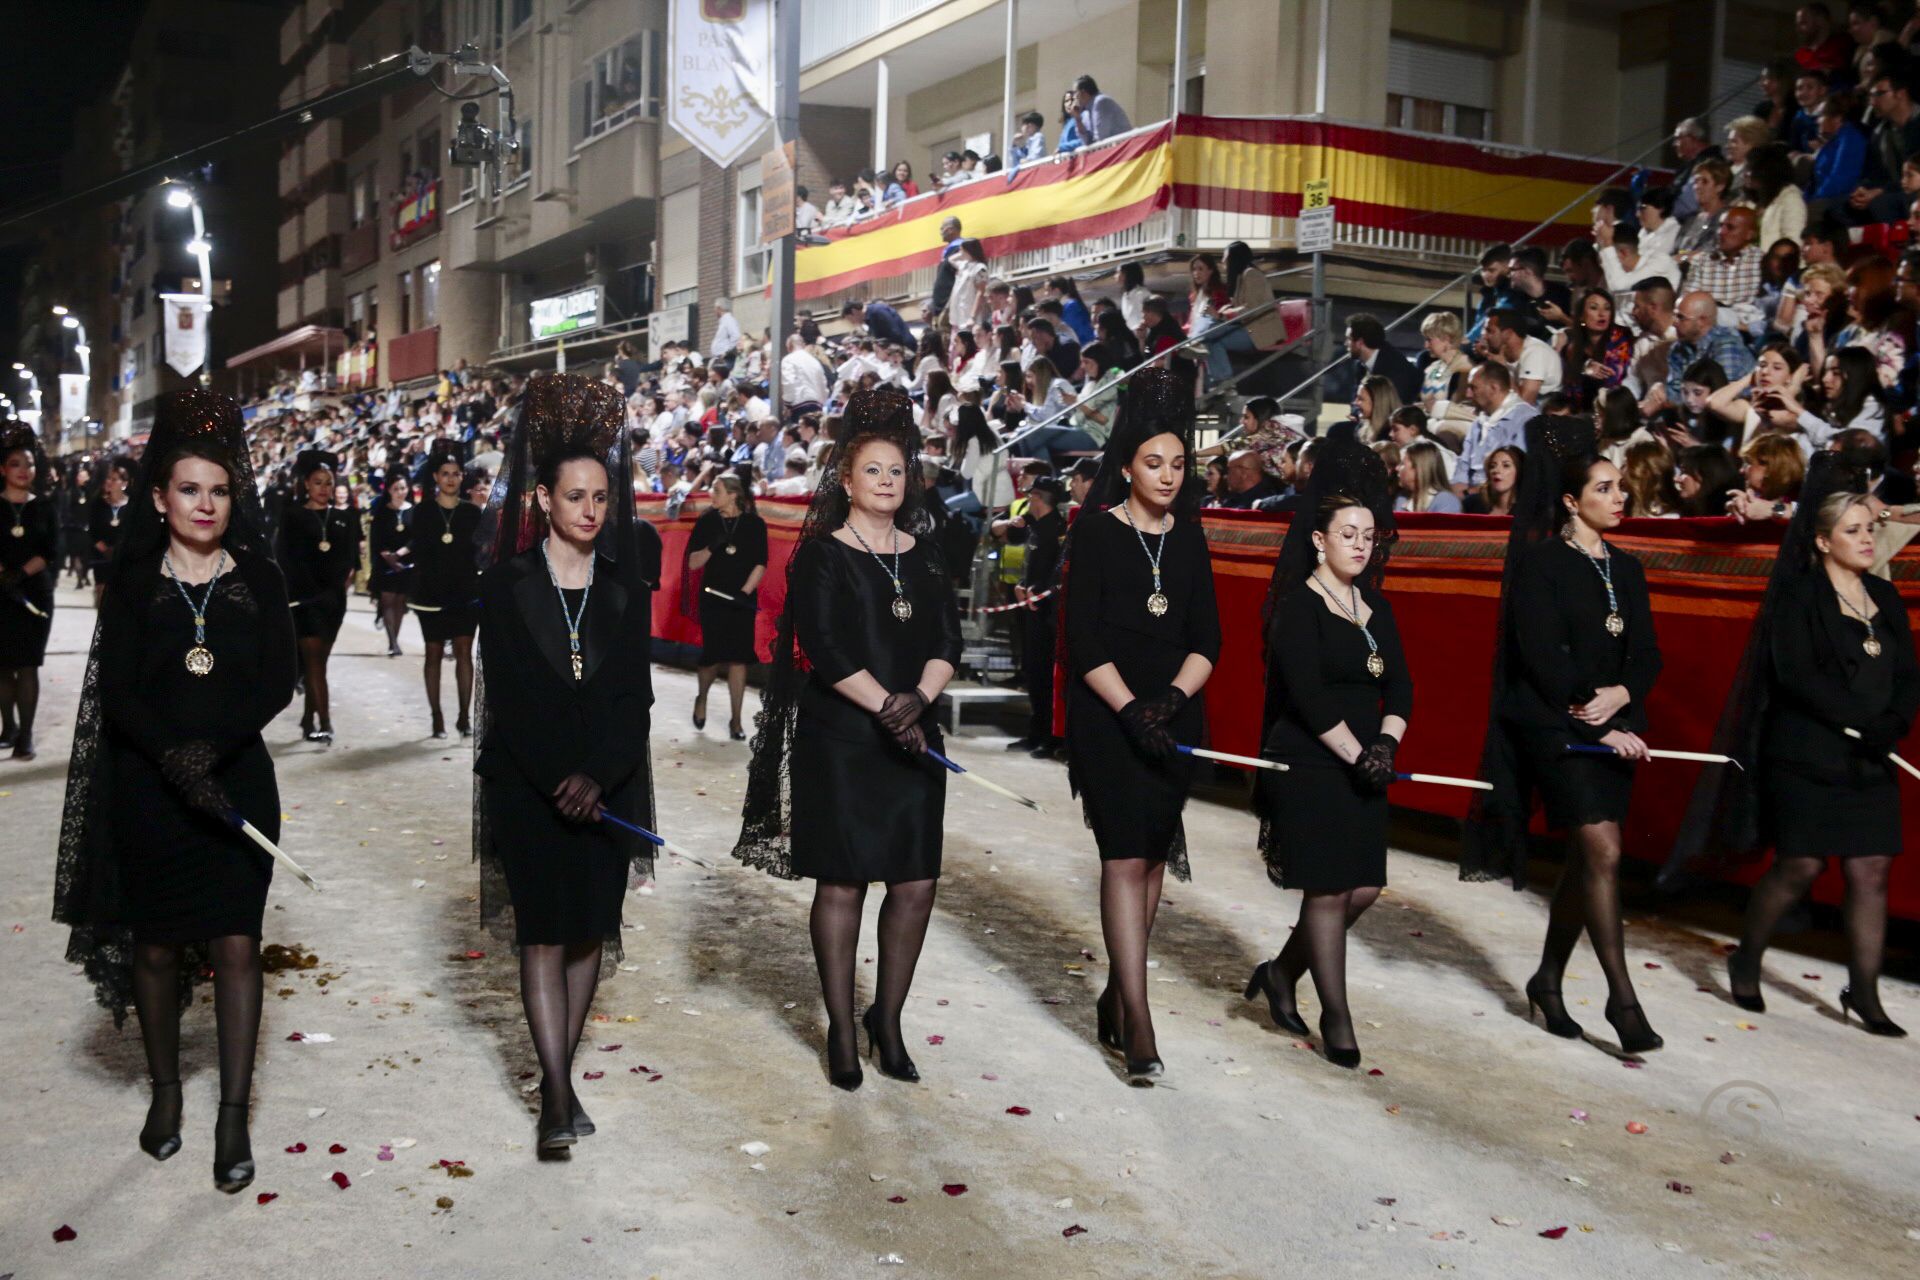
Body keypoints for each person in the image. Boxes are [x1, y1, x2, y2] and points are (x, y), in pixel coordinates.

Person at [52, 389, 297, 1193]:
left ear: (236, 496)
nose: (205, 504)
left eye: (219, 490)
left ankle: (232, 1113)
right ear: (159, 497)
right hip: (148, 786)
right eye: (189, 489)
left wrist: (212, 750)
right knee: (156, 945)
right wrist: (171, 757)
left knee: (235, 945)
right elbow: (116, 691)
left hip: (237, 785)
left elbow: (278, 682)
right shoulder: (128, 581)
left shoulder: (258, 575)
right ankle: (164, 1097)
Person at [733, 387, 962, 1091]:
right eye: (873, 471)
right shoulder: (821, 557)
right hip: (843, 738)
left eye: (896, 471)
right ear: (845, 479)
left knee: (916, 882)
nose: (887, 482)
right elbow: (825, 650)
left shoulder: (926, 556)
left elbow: (946, 639)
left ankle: (886, 1020)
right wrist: (885, 705)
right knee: (843, 883)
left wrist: (918, 700)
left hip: (913, 737)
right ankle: (840, 1025)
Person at [473, 373, 657, 1154]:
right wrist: (559, 779)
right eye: (575, 495)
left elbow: (635, 699)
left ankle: (560, 1074)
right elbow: (507, 700)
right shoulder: (507, 585)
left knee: (589, 934)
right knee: (542, 936)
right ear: (543, 498)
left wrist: (599, 777)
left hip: (608, 791)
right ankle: (554, 1096)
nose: (590, 509)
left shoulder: (625, 587)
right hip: (528, 788)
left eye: (601, 497)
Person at [1673, 456, 1916, 1038]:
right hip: (1808, 750)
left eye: (1869, 529)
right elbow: (1798, 677)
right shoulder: (1799, 596)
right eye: (1853, 530)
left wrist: (1894, 723)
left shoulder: (1885, 594)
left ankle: (1864, 990)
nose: (1865, 539)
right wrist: (1860, 720)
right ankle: (1747, 958)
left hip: (1871, 754)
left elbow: (1908, 674)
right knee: (1801, 864)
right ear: (1822, 539)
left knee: (1872, 869)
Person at [1463, 418, 1666, 1056]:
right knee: (1602, 850)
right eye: (1605, 487)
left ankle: (1547, 981)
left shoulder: (1627, 569)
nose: (1620, 495)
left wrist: (1625, 697)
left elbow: (1647, 655)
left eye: (1621, 486)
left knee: (1587, 863)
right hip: (1556, 727)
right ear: (1573, 502)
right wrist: (1597, 717)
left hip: (1615, 727)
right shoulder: (1543, 563)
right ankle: (1621, 996)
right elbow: (1544, 659)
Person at [1062, 368, 1221, 1081]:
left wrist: (1173, 703)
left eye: (1178, 464)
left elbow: (1208, 640)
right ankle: (1139, 1018)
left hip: (1171, 721)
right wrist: (1130, 707)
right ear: (1126, 466)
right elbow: (1083, 642)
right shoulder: (1095, 535)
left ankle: (1115, 995)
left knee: (1154, 859)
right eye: (1153, 463)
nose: (1167, 475)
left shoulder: (1190, 540)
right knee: (1125, 856)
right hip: (1109, 718)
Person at [1248, 435, 1411, 1069]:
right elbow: (1312, 699)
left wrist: (1388, 741)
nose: (1361, 545)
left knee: (1364, 888)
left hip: (1367, 760)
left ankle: (1283, 971)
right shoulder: (1298, 607)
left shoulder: (1378, 607)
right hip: (1313, 760)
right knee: (1327, 890)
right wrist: (1358, 754)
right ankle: (1335, 1014)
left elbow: (1400, 683)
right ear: (1319, 539)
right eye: (1348, 534)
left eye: (1369, 535)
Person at [277, 451, 359, 744]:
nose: (323, 488)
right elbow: (286, 559)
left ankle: (307, 718)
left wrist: (335, 589)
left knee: (319, 664)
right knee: (313, 663)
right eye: (317, 482)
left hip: (333, 602)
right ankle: (325, 723)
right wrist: (308, 592)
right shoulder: (292, 516)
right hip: (305, 602)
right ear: (306, 485)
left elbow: (349, 559)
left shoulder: (344, 518)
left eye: (328, 482)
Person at [684, 474, 767, 741]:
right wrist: (712, 546)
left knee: (739, 657)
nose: (711, 494)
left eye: (716, 490)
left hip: (742, 599)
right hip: (712, 597)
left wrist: (745, 592)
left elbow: (760, 563)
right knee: (712, 656)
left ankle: (736, 719)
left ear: (733, 494)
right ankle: (702, 697)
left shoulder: (754, 524)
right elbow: (693, 563)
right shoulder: (707, 521)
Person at [409, 448, 482, 738]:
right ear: (436, 477)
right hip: (431, 594)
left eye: (456, 474)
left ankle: (464, 716)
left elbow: (481, 553)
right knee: (433, 653)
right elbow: (422, 554)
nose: (451, 479)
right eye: (445, 474)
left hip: (465, 592)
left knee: (465, 652)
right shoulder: (423, 511)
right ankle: (437, 717)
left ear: (462, 477)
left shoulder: (472, 512)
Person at [0, 430, 55, 760]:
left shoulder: (44, 507)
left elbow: (51, 551)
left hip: (34, 595)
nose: (23, 470)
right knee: (2, 666)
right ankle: (9, 727)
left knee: (29, 664)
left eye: (29, 464)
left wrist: (21, 574)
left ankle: (27, 736)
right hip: (0, 594)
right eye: (15, 464)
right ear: (3, 469)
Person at [1013, 475, 1066, 758]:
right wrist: (1023, 587)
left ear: (1037, 497)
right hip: (1031, 610)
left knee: (1046, 676)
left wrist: (1036, 591)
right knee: (1033, 673)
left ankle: (1049, 736)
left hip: (1047, 614)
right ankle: (1035, 733)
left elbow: (1057, 574)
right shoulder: (1034, 525)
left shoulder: (1058, 529)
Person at [368, 472, 414, 658]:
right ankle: (392, 643)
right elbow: (377, 538)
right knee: (387, 601)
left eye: (402, 488)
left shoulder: (413, 510)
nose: (400, 492)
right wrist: (388, 556)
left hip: (405, 562)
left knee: (400, 603)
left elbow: (417, 537)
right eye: (396, 489)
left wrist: (401, 554)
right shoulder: (382, 512)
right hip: (385, 562)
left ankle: (396, 637)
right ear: (389, 490)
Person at [87, 455, 134, 609]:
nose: (110, 482)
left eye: (114, 479)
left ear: (124, 483)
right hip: (102, 557)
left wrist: (121, 549)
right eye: (109, 478)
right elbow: (93, 530)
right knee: (102, 596)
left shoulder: (131, 506)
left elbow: (133, 532)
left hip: (124, 558)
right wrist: (105, 549)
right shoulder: (98, 503)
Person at [1346, 313, 1421, 406]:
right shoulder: (1360, 365)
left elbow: (1392, 406)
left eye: (1349, 339)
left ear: (1360, 342)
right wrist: (1356, 413)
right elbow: (1356, 399)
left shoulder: (1395, 367)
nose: (1346, 344)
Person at [1395, 440, 1463, 512]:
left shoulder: (1446, 501)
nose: (1397, 468)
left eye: (1402, 464)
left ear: (1418, 469)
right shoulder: (1402, 499)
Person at [1072, 74, 1132, 142]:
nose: (1073, 97)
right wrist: (1077, 119)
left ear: (1083, 92)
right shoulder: (1086, 112)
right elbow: (1086, 141)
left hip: (1124, 149)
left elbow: (1101, 138)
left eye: (1075, 93)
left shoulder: (1101, 102)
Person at [1483, 444, 1522, 516]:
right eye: (1492, 466)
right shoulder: (1475, 506)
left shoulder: (1528, 514)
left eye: (1506, 465)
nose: (1496, 471)